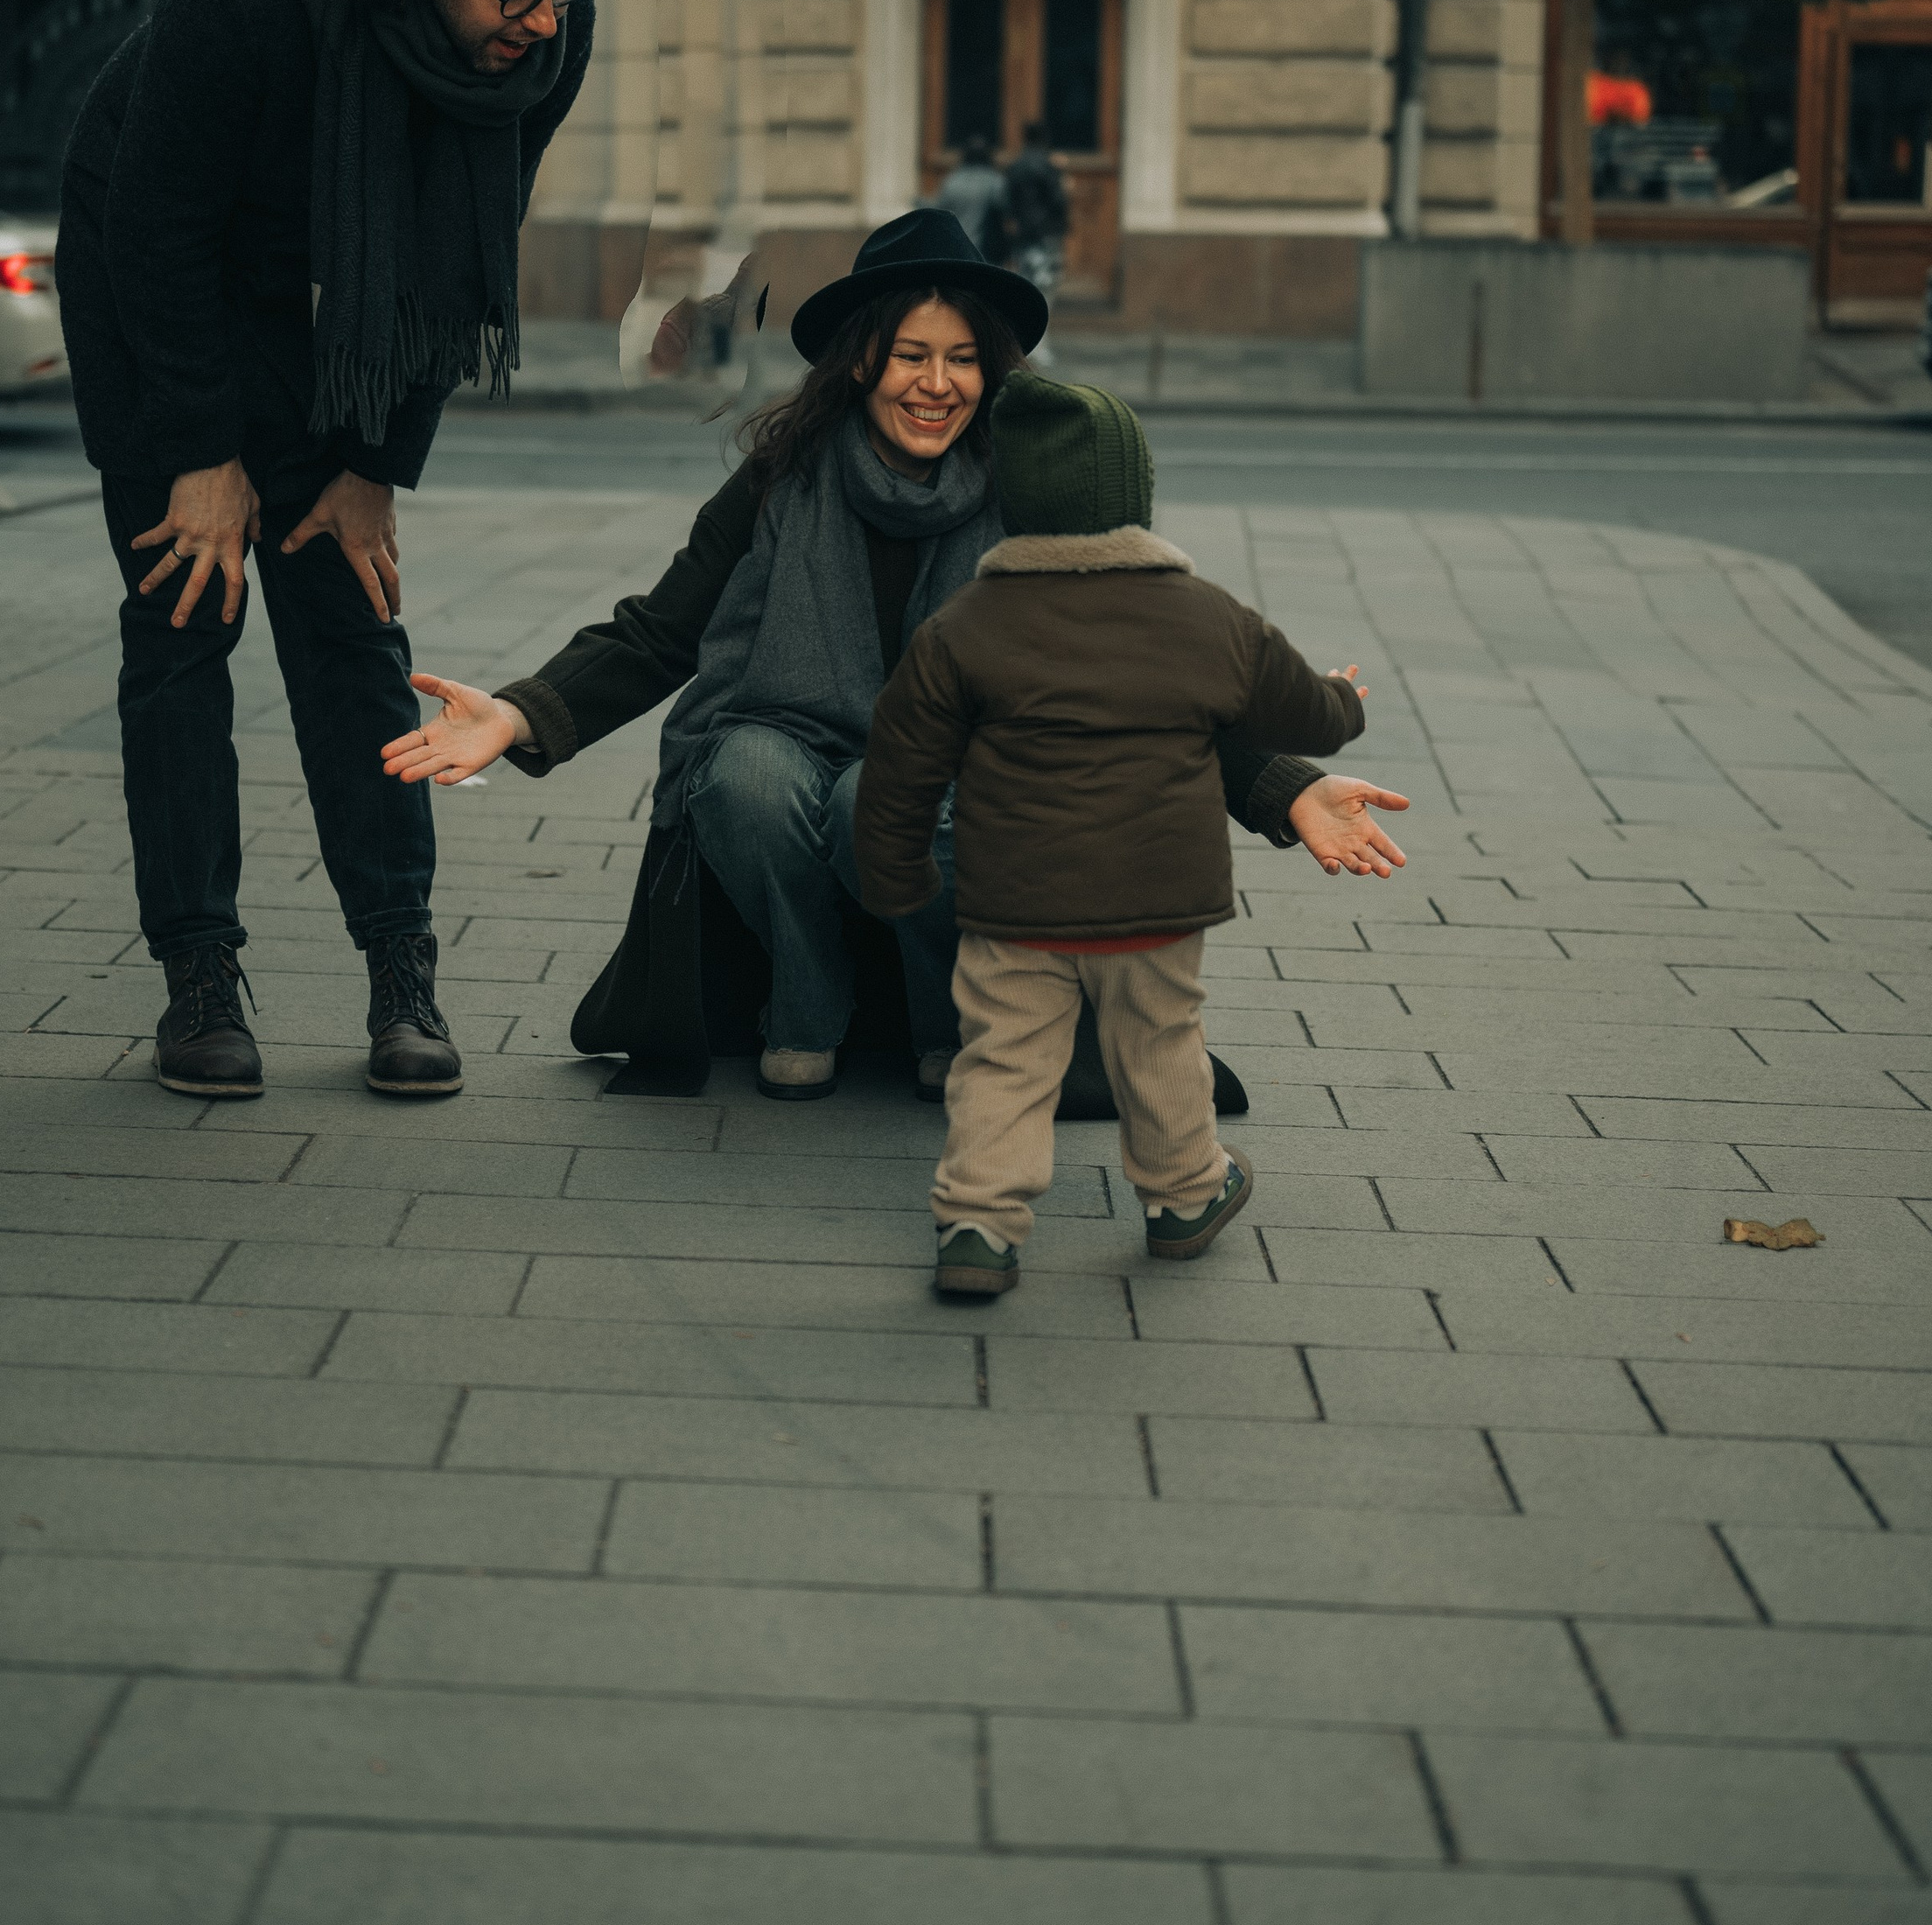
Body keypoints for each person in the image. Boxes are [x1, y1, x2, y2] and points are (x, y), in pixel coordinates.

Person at [380, 213, 1411, 1102]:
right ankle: (807, 999)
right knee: (739, 770)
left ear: (993, 368)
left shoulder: (1029, 498)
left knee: (889, 788)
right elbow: (662, 627)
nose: (936, 383)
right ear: (863, 357)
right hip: (780, 750)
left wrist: (1284, 789)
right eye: (911, 354)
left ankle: (947, 1022)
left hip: (937, 787)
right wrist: (521, 714)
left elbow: (1126, 674)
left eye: (962, 357)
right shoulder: (782, 475)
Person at [55, 0, 619, 1100]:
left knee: (353, 621)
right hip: (153, 269)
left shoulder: (543, 41)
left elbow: (460, 259)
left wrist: (372, 465)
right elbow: (155, 226)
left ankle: (400, 974)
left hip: (332, 301)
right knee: (184, 612)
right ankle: (198, 978)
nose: (546, 18)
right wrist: (201, 450)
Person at [854, 367, 1377, 1298]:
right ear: (1135, 495)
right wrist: (1343, 703)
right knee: (1159, 1041)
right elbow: (1299, 713)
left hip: (1016, 906)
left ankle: (977, 1224)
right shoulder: (1207, 615)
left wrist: (894, 881)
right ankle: (1183, 1196)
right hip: (1155, 901)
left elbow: (901, 767)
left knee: (1005, 1056)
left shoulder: (963, 626)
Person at [1000, 121, 1071, 293]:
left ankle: (1028, 317)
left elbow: (1007, 201)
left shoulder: (1015, 166)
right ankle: (1042, 318)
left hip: (1023, 229)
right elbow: (1058, 200)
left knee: (1025, 278)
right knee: (1046, 281)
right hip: (1047, 230)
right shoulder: (1049, 167)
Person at [937, 136, 1012, 260]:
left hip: (955, 249)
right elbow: (1006, 208)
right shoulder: (994, 180)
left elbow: (939, 210)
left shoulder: (951, 180)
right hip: (984, 253)